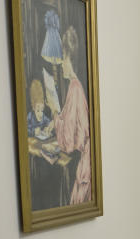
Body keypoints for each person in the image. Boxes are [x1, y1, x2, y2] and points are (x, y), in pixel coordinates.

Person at [47, 26, 91, 204]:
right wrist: (56, 119)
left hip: (84, 165)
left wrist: (54, 110)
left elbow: (67, 141)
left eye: (63, 58)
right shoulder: (76, 87)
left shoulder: (74, 88)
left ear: (69, 58)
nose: (61, 63)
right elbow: (68, 119)